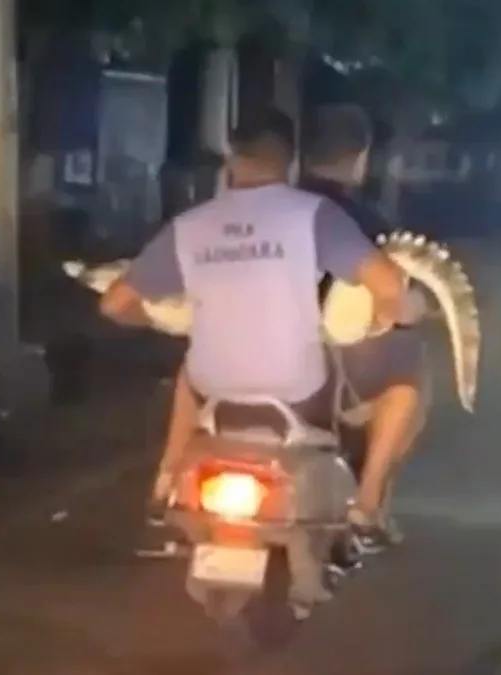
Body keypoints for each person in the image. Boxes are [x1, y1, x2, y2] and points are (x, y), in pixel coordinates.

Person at [97, 108, 417, 556]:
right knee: (405, 382)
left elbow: (114, 303)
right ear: (289, 164)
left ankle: (164, 485)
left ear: (231, 159)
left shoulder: (189, 226)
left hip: (215, 387)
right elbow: (389, 286)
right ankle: (365, 506)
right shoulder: (314, 215)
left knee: (191, 364)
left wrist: (154, 319)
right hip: (298, 386)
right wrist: (389, 314)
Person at [300, 103, 429, 548]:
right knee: (406, 384)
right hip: (324, 371)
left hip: (244, 367)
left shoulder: (273, 211)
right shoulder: (363, 221)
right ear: (361, 156)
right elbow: (389, 301)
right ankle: (368, 502)